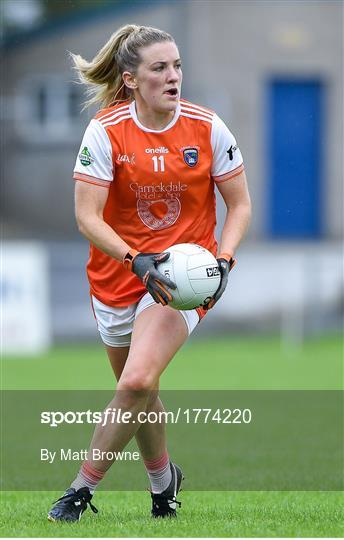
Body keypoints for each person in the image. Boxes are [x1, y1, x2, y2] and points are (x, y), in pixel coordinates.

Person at [48, 24, 251, 523]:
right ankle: (164, 485)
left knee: (137, 380)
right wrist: (133, 259)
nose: (174, 76)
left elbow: (240, 204)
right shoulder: (106, 131)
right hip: (117, 278)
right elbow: (87, 218)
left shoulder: (207, 127)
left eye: (177, 65)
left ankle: (79, 490)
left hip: (181, 281)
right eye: (159, 68)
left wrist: (223, 259)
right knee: (141, 392)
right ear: (131, 79)